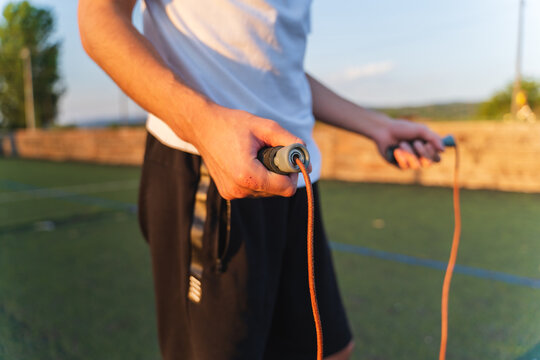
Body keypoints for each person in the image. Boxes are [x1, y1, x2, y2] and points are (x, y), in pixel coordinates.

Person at [78, 1, 444, 359]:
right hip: (208, 169)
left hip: (295, 180)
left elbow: (276, 72)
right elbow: (98, 18)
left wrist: (377, 126)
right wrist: (203, 124)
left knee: (330, 350)